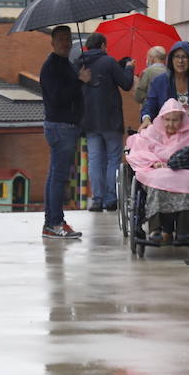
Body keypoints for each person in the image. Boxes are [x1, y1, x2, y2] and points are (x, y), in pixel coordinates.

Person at [127, 99, 189, 245]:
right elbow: (139, 150)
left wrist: (188, 164)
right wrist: (154, 162)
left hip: (184, 173)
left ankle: (183, 231)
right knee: (155, 182)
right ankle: (155, 229)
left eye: (175, 120)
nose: (170, 124)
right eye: (167, 120)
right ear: (161, 119)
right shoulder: (151, 133)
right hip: (157, 171)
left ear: (182, 120)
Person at [75, 31, 135, 213]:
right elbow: (125, 83)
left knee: (94, 161)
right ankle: (111, 199)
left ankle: (97, 199)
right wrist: (129, 68)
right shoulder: (108, 61)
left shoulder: (79, 64)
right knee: (112, 160)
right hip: (111, 120)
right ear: (102, 46)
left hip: (90, 120)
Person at [39, 25, 83, 239]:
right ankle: (54, 223)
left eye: (69, 39)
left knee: (54, 176)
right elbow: (58, 98)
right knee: (58, 178)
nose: (66, 43)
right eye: (62, 39)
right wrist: (79, 81)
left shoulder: (65, 64)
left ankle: (53, 221)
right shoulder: (51, 67)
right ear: (53, 42)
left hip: (64, 126)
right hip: (60, 126)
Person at [141, 40, 189, 131]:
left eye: (184, 57)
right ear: (171, 59)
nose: (180, 61)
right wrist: (146, 119)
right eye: (177, 57)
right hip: (164, 136)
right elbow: (149, 106)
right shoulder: (159, 82)